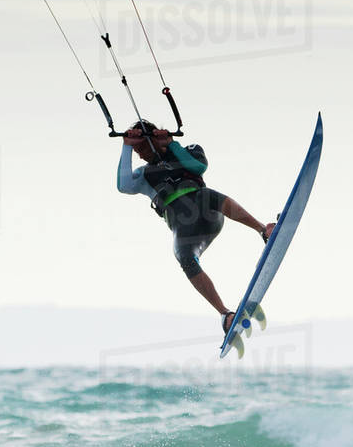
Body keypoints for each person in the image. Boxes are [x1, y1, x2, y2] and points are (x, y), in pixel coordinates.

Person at [116, 120, 275, 333]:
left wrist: (171, 144)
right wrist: (126, 145)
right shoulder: (143, 175)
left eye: (141, 148)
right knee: (183, 257)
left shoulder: (189, 150)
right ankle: (225, 314)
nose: (140, 154)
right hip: (183, 228)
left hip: (208, 213)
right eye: (136, 150)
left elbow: (198, 167)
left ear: (154, 141)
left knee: (203, 195)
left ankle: (263, 229)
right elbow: (123, 185)